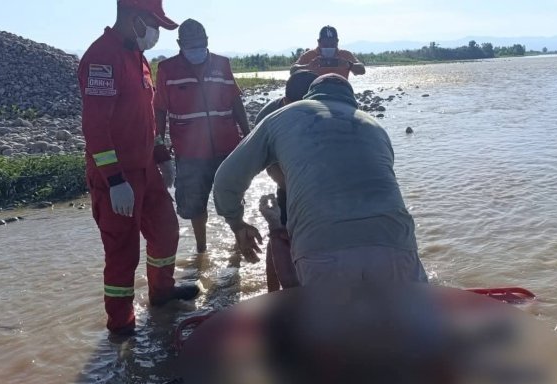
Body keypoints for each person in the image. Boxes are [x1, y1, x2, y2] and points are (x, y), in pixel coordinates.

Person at [213, 74, 428, 286]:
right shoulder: (374, 125)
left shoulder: (280, 116)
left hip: (322, 250)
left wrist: (236, 222)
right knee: (408, 319)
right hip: (397, 243)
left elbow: (225, 180)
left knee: (331, 321)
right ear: (351, 100)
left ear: (310, 95)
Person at [78, 0, 199, 337]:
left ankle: (161, 293)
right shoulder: (103, 58)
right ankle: (121, 326)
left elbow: (143, 118)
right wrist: (115, 180)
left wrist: (161, 155)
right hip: (116, 176)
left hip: (146, 170)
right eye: (153, 23)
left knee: (166, 230)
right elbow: (96, 128)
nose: (156, 32)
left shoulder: (138, 58)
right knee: (123, 252)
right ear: (134, 19)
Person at [154, 19, 251, 254]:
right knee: (195, 205)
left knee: (232, 198)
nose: (196, 48)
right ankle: (201, 250)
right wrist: (158, 141)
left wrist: (248, 135)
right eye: (191, 45)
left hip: (227, 147)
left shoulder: (222, 64)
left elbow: (235, 101)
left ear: (207, 41)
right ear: (180, 44)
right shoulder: (167, 69)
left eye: (200, 43)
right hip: (189, 152)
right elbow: (159, 108)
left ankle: (240, 245)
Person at [254, 70, 319, 291]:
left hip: (319, 181)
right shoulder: (268, 117)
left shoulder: (325, 109)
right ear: (286, 101)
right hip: (286, 177)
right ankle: (273, 295)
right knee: (279, 235)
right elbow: (268, 164)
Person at [291, 26, 366, 79]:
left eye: (332, 45)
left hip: (341, 93)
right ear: (319, 43)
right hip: (316, 94)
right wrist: (308, 66)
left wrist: (349, 65)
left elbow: (362, 70)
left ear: (337, 42)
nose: (329, 47)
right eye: (325, 45)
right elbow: (292, 70)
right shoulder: (310, 55)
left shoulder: (345, 55)